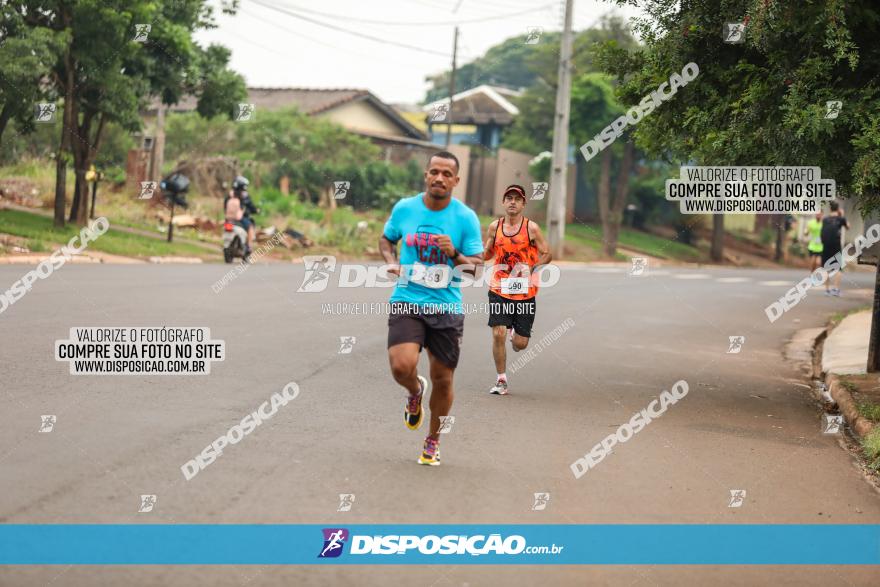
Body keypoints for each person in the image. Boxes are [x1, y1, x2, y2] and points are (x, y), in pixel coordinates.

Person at [379, 151, 483, 466]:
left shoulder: (466, 218)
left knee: (443, 379)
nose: (439, 178)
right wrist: (392, 262)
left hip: (446, 307)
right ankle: (414, 391)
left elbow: (476, 270)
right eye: (434, 172)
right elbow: (386, 240)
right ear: (426, 175)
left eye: (446, 174)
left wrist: (454, 254)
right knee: (401, 366)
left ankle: (432, 441)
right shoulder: (405, 208)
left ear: (456, 180)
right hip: (407, 299)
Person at [483, 184, 552, 395]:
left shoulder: (532, 228)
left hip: (525, 292)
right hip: (499, 287)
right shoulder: (495, 227)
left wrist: (531, 268)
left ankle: (516, 334)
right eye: (509, 198)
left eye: (517, 199)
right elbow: (487, 253)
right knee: (498, 333)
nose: (512, 202)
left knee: (521, 344)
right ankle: (501, 380)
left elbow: (547, 254)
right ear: (503, 202)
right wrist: (474, 256)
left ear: (523, 204)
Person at [821, 201, 850, 296]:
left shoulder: (825, 219)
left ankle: (826, 290)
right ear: (837, 209)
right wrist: (842, 215)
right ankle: (835, 290)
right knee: (838, 268)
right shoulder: (841, 219)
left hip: (825, 245)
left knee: (826, 268)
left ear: (830, 209)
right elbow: (848, 227)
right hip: (836, 245)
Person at [224, 176, 258, 251]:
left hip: (228, 219)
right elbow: (251, 206)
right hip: (240, 219)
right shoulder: (244, 196)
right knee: (250, 227)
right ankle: (248, 246)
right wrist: (256, 210)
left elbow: (225, 207)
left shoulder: (229, 195)